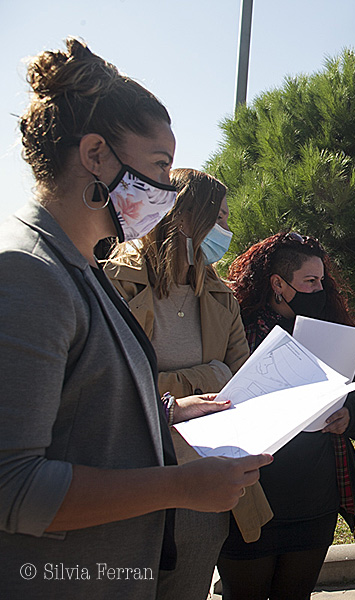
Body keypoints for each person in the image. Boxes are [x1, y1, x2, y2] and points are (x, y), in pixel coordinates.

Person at [0, 38, 270, 599]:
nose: (169, 192)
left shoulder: (76, 267)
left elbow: (77, 413)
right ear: (96, 154)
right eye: (159, 166)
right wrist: (178, 485)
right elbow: (13, 486)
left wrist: (165, 410)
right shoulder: (27, 272)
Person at [104, 168, 253, 599]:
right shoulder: (115, 280)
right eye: (220, 218)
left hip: (201, 487)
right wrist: (207, 376)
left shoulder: (222, 295)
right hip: (129, 483)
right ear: (185, 218)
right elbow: (113, 381)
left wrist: (185, 384)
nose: (227, 230)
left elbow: (240, 383)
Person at [218, 232, 355, 600]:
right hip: (254, 497)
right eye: (310, 281)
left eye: (322, 281)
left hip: (315, 501)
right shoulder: (238, 331)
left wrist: (348, 415)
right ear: (278, 284)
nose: (320, 289)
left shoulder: (336, 331)